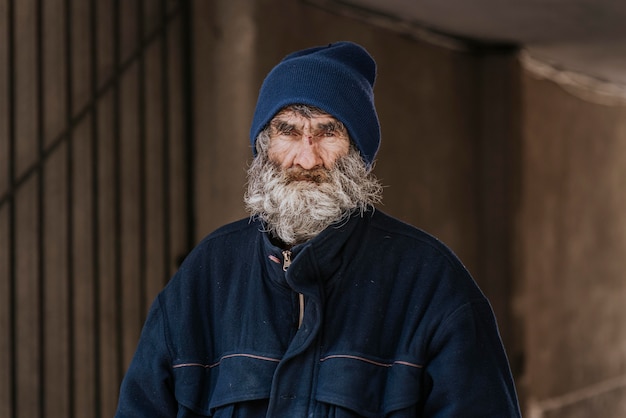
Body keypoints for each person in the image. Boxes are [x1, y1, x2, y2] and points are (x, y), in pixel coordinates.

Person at [116, 41, 522, 417]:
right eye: (288, 131)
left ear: (358, 152)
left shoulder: (430, 282)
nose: (306, 158)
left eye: (328, 132)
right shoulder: (207, 273)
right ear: (263, 146)